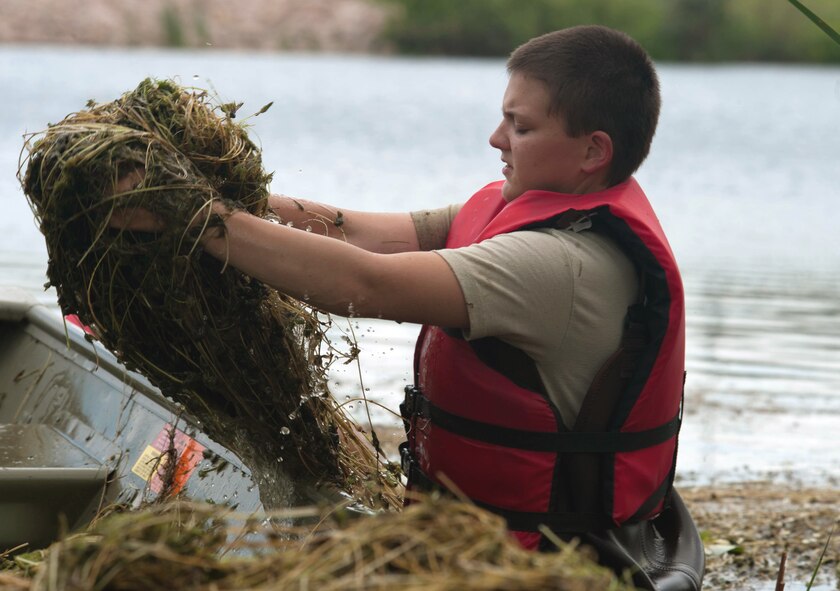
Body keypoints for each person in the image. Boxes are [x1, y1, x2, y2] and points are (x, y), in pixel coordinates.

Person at [114, 25, 704, 590]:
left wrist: (190, 217)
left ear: (592, 151)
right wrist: (229, 191)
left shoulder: (559, 267)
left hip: (533, 562)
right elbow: (361, 235)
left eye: (519, 126)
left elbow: (367, 284)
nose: (496, 139)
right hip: (470, 537)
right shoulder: (524, 209)